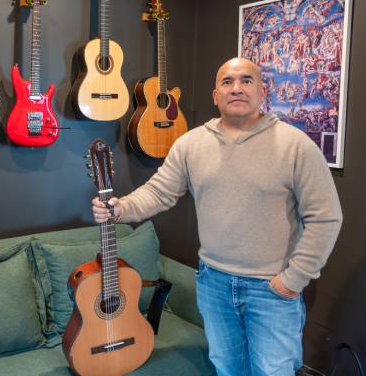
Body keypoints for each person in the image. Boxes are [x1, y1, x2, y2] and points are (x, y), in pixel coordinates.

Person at [92, 57, 342, 376]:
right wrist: (121, 208)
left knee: (273, 371)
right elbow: (159, 191)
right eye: (227, 82)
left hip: (271, 288)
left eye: (246, 80)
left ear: (263, 90)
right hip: (214, 285)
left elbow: (325, 218)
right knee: (227, 368)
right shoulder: (191, 144)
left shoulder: (296, 147)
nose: (236, 88)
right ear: (215, 95)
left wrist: (294, 279)